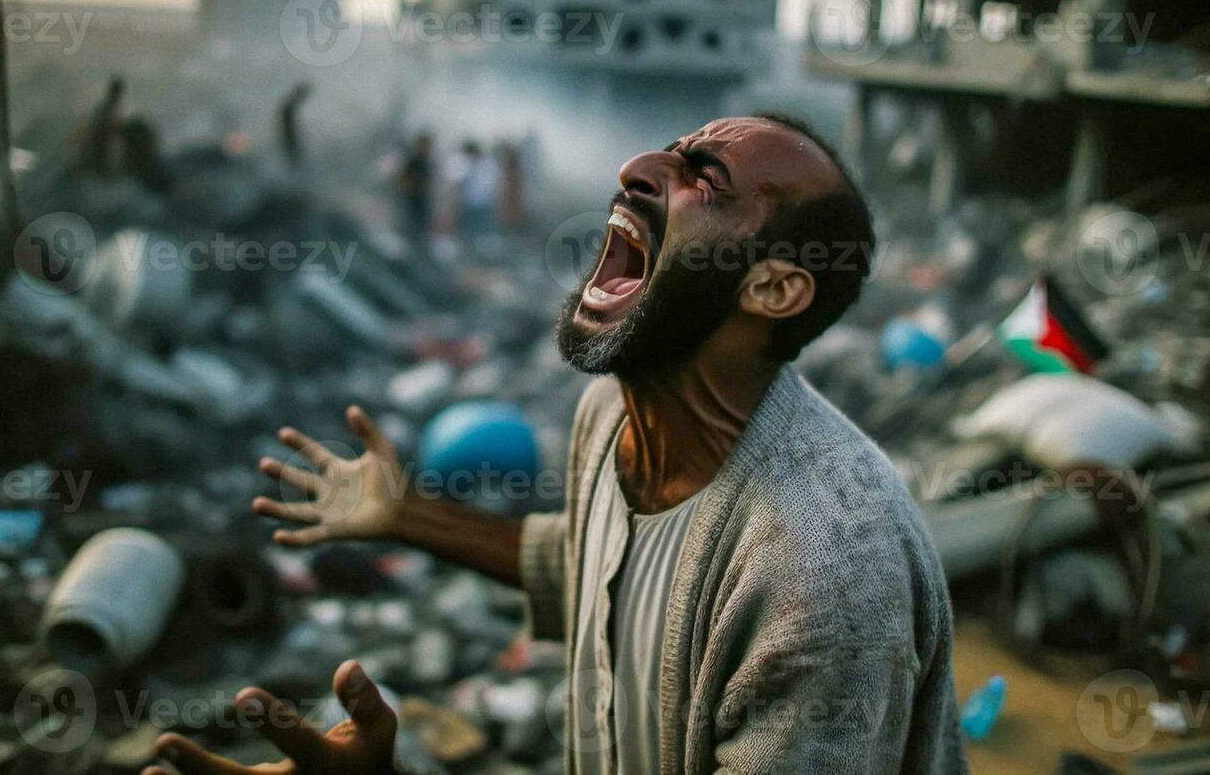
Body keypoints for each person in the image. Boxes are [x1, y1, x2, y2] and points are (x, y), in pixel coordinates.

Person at [147, 113, 965, 775]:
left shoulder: (824, 569)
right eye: (673, 150)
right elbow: (604, 571)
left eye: (704, 179)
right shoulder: (610, 413)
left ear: (774, 287)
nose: (637, 166)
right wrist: (406, 516)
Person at [395, 132, 434, 240]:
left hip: (420, 198)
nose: (429, 149)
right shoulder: (415, 160)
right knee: (411, 225)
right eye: (426, 146)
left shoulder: (425, 161)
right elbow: (403, 179)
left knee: (419, 226)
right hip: (413, 198)